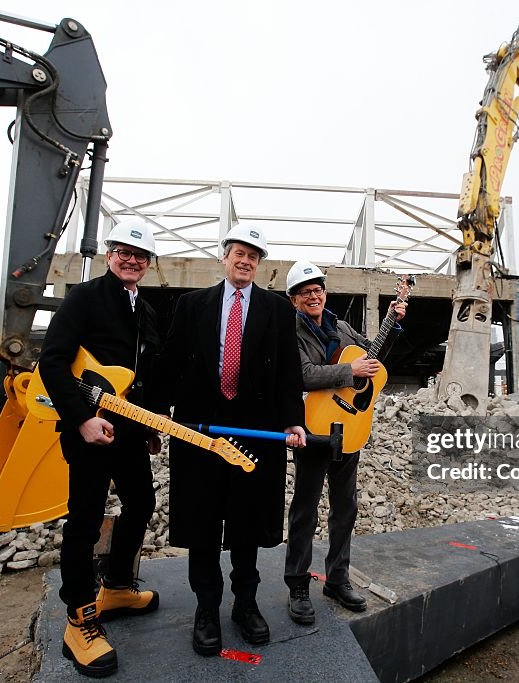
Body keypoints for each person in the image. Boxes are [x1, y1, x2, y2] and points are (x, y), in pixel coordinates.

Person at [153, 224, 306, 656]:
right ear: (225, 257)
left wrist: (293, 420)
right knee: (202, 524)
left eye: (253, 256)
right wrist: (156, 418)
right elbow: (169, 362)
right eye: (239, 253)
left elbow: (288, 372)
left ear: (260, 265)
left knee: (246, 523)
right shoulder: (192, 305)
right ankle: (206, 608)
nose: (245, 261)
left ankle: (245, 603)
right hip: (200, 432)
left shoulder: (277, 310)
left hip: (255, 433)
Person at [38, 218, 162, 678]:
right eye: (123, 252)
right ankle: (78, 620)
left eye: (140, 255)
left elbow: (139, 376)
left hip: (129, 432)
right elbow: (52, 361)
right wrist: (82, 418)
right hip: (89, 430)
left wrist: (150, 425)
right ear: (110, 255)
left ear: (148, 265)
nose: (131, 260)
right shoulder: (85, 298)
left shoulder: (145, 311)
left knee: (142, 503)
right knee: (86, 521)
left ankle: (116, 587)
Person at [283, 260, 406, 625]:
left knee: (346, 508)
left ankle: (336, 579)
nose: (313, 295)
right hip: (313, 429)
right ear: (293, 300)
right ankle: (297, 585)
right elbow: (302, 374)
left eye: (317, 288)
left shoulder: (340, 325)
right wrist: (349, 371)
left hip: (349, 429)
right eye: (305, 292)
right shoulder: (291, 332)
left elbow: (372, 357)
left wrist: (393, 324)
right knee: (305, 510)